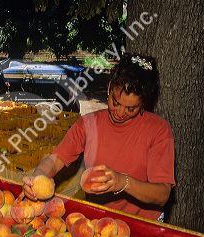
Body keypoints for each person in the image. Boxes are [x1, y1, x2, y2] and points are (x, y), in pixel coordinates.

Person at [23, 53, 175, 221]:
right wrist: (36, 177)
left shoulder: (158, 130)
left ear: (144, 103)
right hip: (99, 221)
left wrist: (121, 182)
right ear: (109, 88)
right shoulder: (88, 124)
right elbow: (54, 160)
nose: (120, 113)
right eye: (115, 102)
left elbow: (162, 193)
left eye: (131, 109)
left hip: (144, 223)